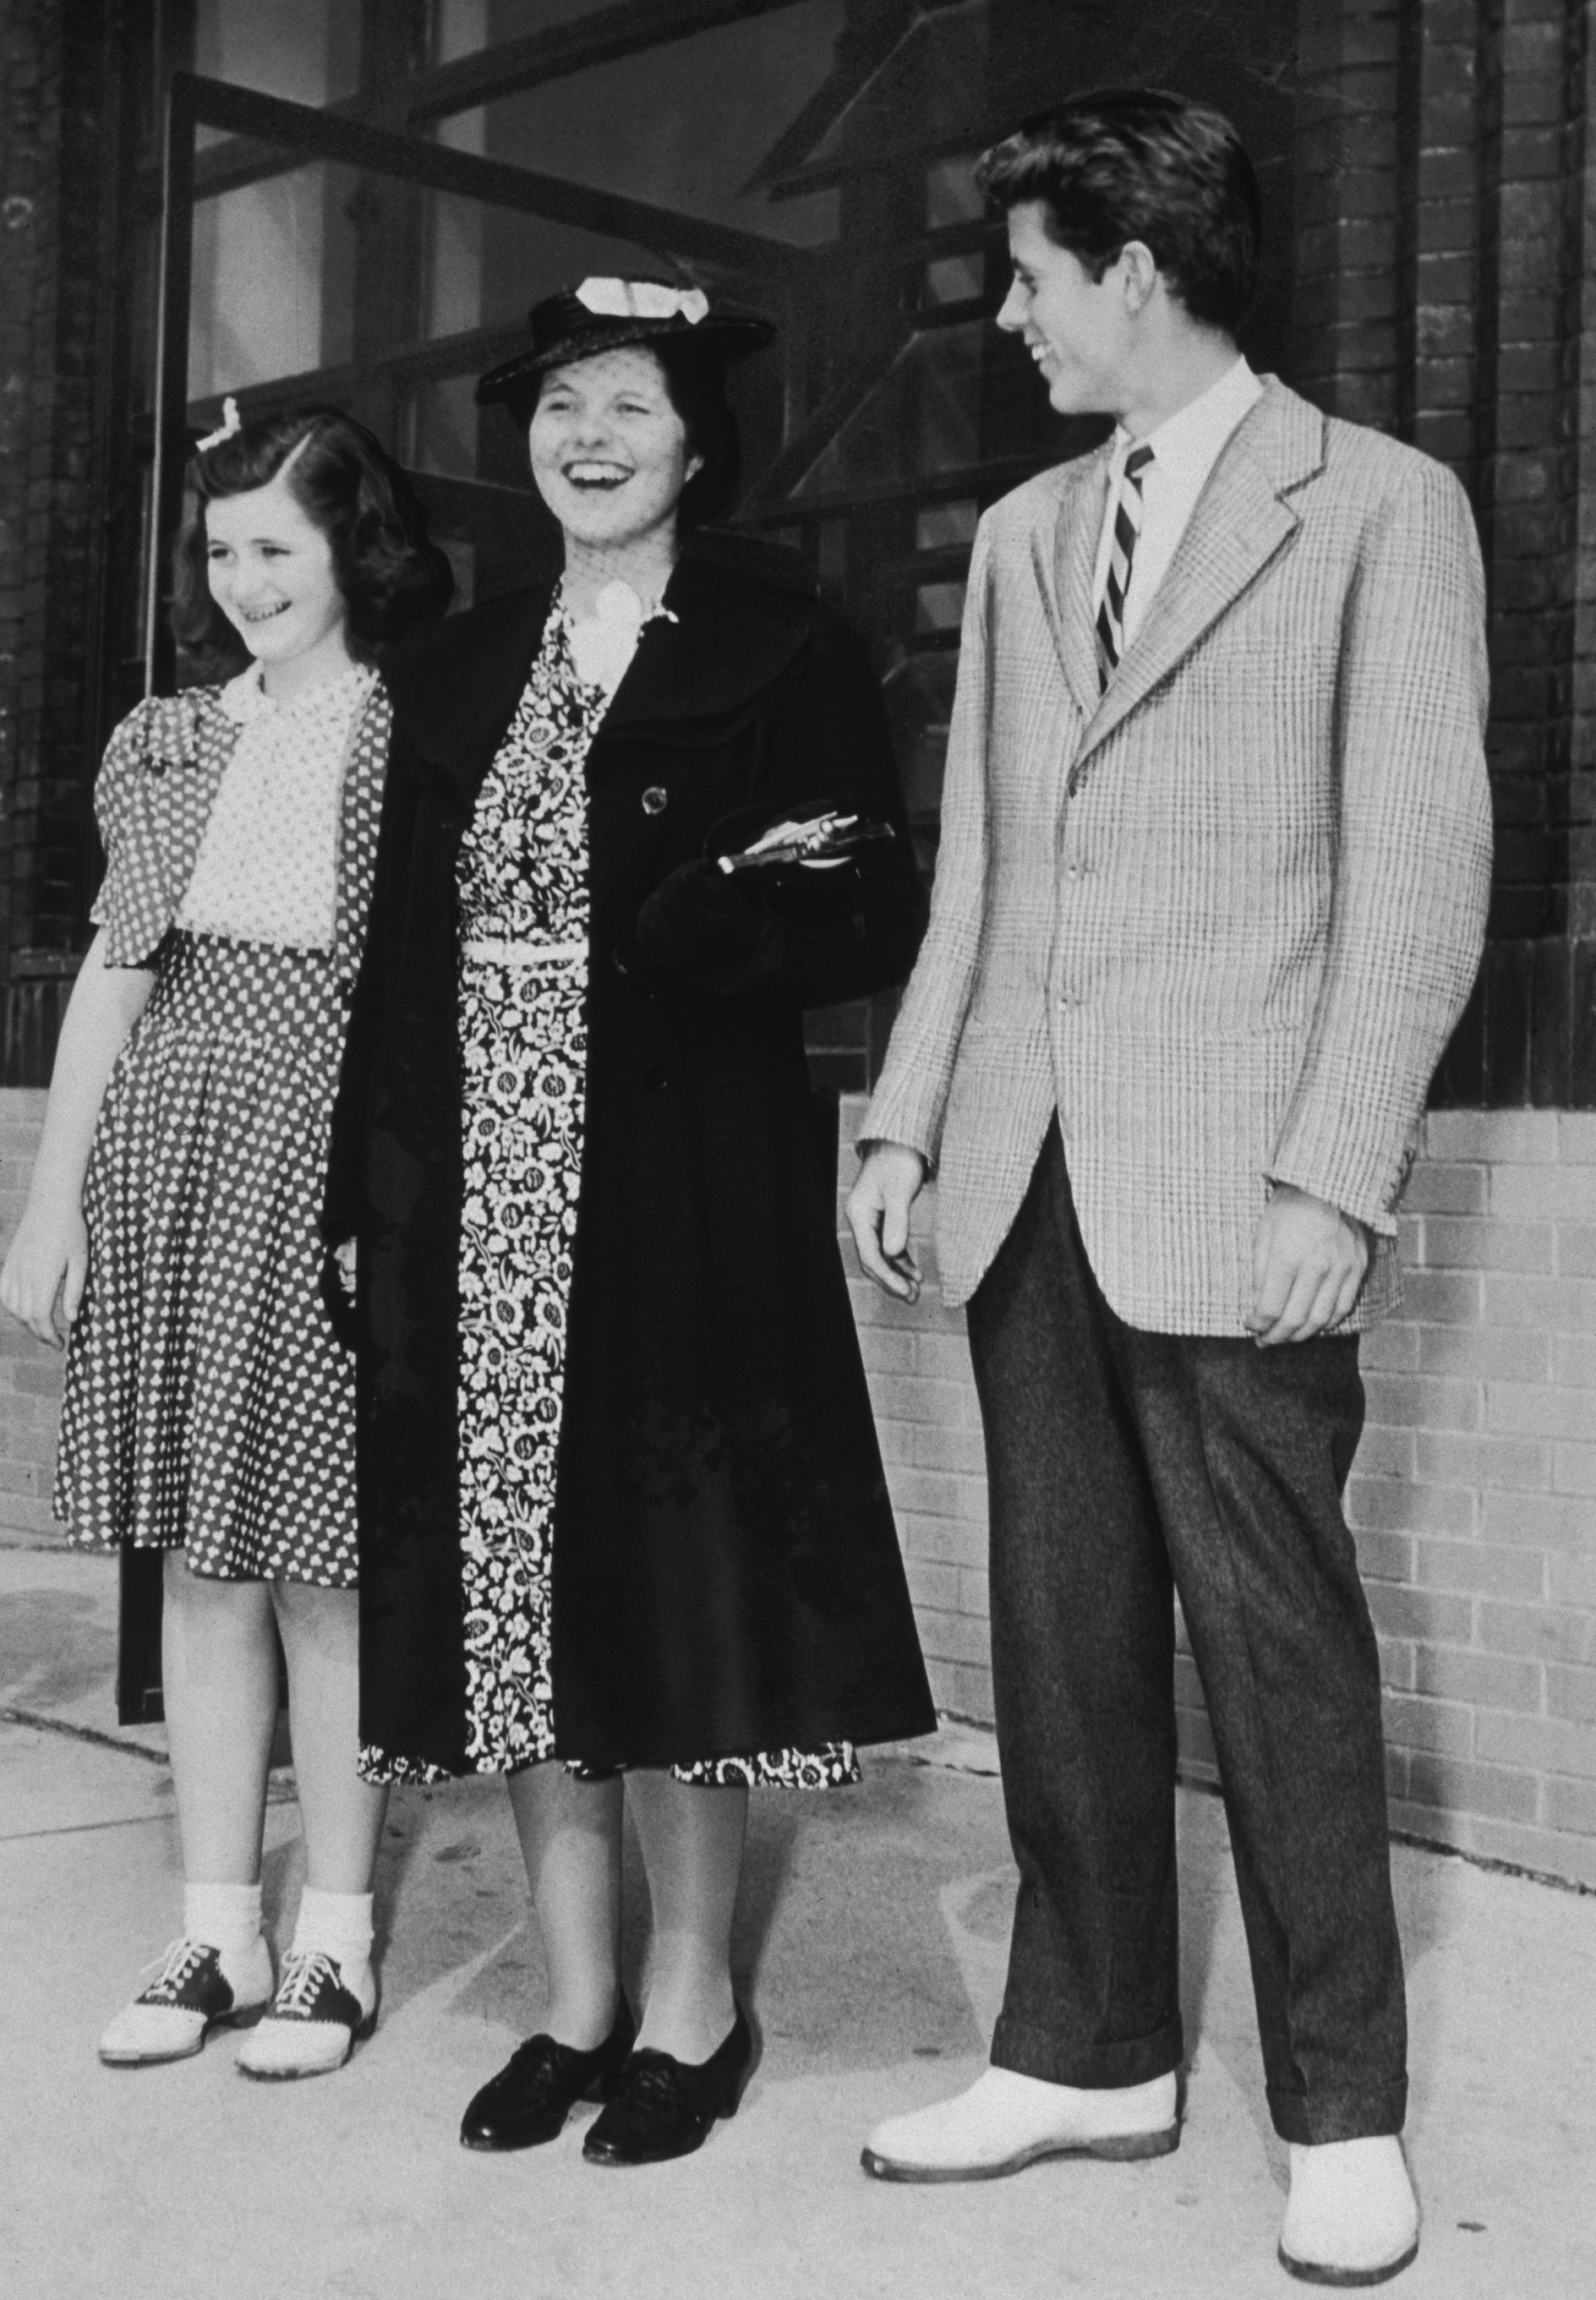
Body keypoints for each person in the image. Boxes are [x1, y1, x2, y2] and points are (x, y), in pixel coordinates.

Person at [846, 90, 1491, 2286]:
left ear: (1138, 270)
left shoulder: (1379, 509)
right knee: (1063, 1629)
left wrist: (1339, 1170)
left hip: (1242, 1178)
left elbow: (1417, 876)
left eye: (1031, 274)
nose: (1010, 315)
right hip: (1032, 1169)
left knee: (1279, 1641)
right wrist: (908, 1113)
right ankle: (1093, 2043)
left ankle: (1345, 2105)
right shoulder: (1032, 535)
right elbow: (991, 869)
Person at [325, 276, 937, 2166]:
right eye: (563, 406)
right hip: (479, 1191)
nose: (590, 438)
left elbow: (871, 895)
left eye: (630, 407)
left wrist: (725, 927)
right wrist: (370, 1180)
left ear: (695, 439)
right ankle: (574, 1997)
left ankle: (694, 2001)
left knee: (681, 1592)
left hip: (680, 1188)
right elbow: (397, 955)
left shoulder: (780, 638)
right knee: (512, 1597)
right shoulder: (458, 662)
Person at [0, 404, 451, 2079]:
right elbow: (119, 969)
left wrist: (397, 1204)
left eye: (277, 544)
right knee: (200, 1555)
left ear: (353, 548)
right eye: (223, 550)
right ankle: (216, 1921)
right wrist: (52, 1200)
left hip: (331, 1151)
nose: (246, 578)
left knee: (325, 1560)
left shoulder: (410, 733)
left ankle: (334, 1930)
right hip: (172, 1150)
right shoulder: (165, 740)